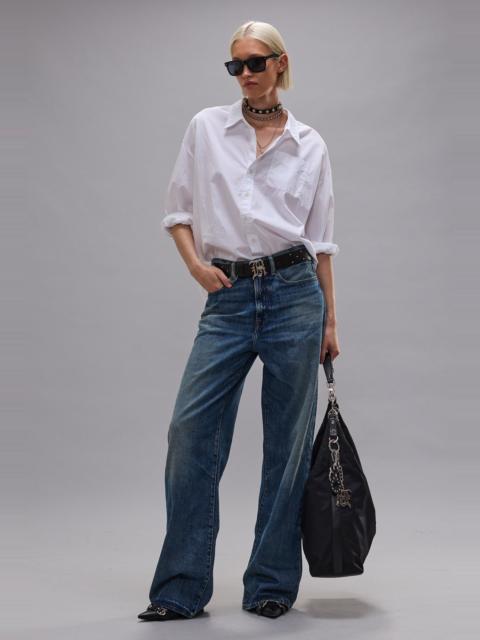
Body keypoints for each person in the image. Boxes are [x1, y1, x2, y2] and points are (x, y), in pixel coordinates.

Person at [138, 20, 340, 622]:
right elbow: (177, 212)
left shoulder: (310, 144)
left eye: (255, 62)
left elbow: (321, 243)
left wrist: (330, 322)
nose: (245, 74)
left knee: (287, 446)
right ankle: (179, 589)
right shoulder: (206, 127)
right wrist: (196, 267)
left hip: (296, 297)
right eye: (235, 65)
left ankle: (271, 583)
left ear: (280, 63)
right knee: (190, 434)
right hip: (227, 298)